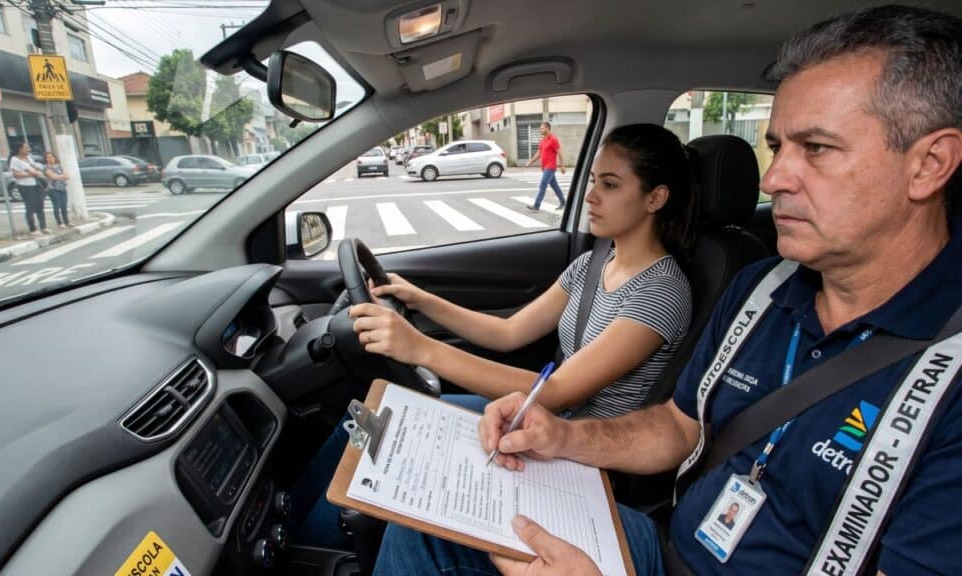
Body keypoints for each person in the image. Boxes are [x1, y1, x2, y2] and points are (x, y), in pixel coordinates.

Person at [376, 5, 962, 575]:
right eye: (779, 146)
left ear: (929, 164)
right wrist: (565, 436)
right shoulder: (760, 289)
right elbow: (679, 427)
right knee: (422, 519)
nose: (776, 177)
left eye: (817, 148)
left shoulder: (948, 375)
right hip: (667, 547)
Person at [288, 123, 698, 547]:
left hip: (578, 454)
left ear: (655, 198)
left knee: (393, 457)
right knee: (370, 417)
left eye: (609, 185)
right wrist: (420, 298)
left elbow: (555, 393)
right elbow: (508, 332)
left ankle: (310, 552)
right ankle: (293, 526)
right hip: (537, 424)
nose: (591, 196)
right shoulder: (592, 265)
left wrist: (420, 347)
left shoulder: (661, 292)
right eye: (593, 180)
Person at [525, 122, 567, 211]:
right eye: (540, 128)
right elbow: (539, 153)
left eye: (542, 128)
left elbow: (560, 153)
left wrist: (562, 166)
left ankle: (536, 206)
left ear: (548, 128)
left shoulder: (553, 139)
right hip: (544, 168)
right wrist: (530, 162)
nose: (540, 130)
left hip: (550, 167)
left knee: (542, 185)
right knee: (555, 186)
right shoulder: (542, 140)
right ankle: (563, 202)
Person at [9, 142, 49, 236]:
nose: (28, 149)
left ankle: (43, 227)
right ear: (20, 149)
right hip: (25, 186)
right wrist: (31, 174)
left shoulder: (28, 158)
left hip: (37, 184)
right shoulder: (15, 160)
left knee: (40, 205)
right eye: (26, 148)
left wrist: (37, 169)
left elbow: (35, 167)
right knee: (30, 207)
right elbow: (15, 174)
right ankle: (32, 228)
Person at [43, 151, 71, 228]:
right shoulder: (46, 168)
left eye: (51, 157)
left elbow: (67, 176)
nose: (50, 159)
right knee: (56, 206)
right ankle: (59, 223)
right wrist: (61, 176)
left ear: (55, 158)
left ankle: (66, 221)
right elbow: (53, 177)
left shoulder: (59, 166)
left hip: (62, 188)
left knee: (64, 205)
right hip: (53, 189)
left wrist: (61, 176)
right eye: (48, 157)